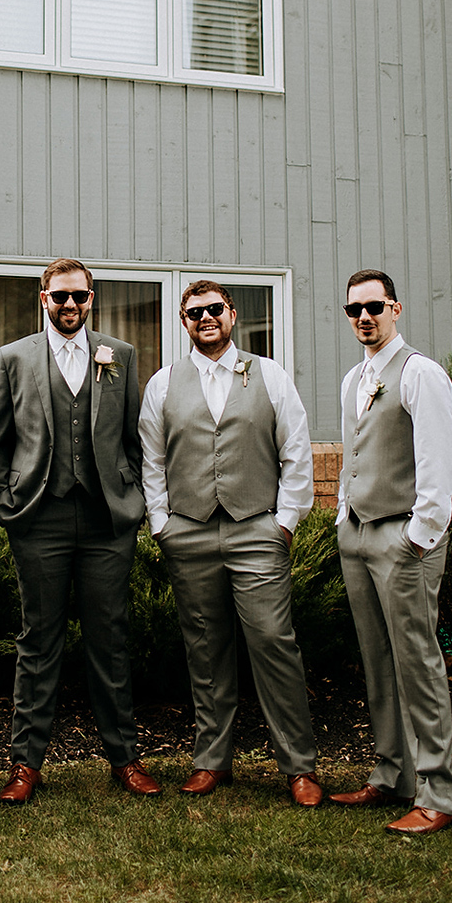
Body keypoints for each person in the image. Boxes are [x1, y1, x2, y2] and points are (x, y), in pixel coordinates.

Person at [138, 281, 325, 807]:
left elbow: (295, 451)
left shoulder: (269, 375)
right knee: (204, 648)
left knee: (273, 643)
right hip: (189, 532)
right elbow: (151, 460)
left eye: (214, 309)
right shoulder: (163, 383)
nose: (205, 318)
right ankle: (211, 759)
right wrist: (162, 524)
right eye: (194, 312)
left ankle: (299, 766)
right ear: (184, 321)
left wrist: (285, 522)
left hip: (256, 529)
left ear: (232, 314)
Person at [0, 259, 160, 803]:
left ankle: (125, 759)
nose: (69, 306)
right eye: (59, 297)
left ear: (92, 298)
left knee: (110, 638)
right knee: (39, 640)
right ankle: (25, 764)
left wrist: (133, 495)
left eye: (79, 297)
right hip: (40, 517)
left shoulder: (120, 355)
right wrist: (3, 503)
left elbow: (133, 436)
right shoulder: (13, 358)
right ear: (43, 299)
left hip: (108, 519)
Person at [329, 268, 452, 834]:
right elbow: (352, 454)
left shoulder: (420, 374)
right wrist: (343, 516)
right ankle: (392, 776)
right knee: (377, 660)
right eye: (355, 309)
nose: (364, 317)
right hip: (358, 535)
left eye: (375, 307)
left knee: (418, 663)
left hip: (403, 537)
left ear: (396, 309)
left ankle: (439, 792)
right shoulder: (352, 379)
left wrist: (418, 535)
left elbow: (441, 462)